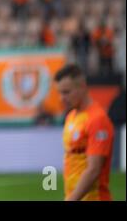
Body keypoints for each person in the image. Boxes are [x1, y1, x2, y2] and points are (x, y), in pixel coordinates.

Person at [54, 64, 114, 201]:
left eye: (66, 92)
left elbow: (94, 169)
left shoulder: (97, 119)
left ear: (82, 87)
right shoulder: (71, 117)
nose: (61, 98)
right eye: (59, 93)